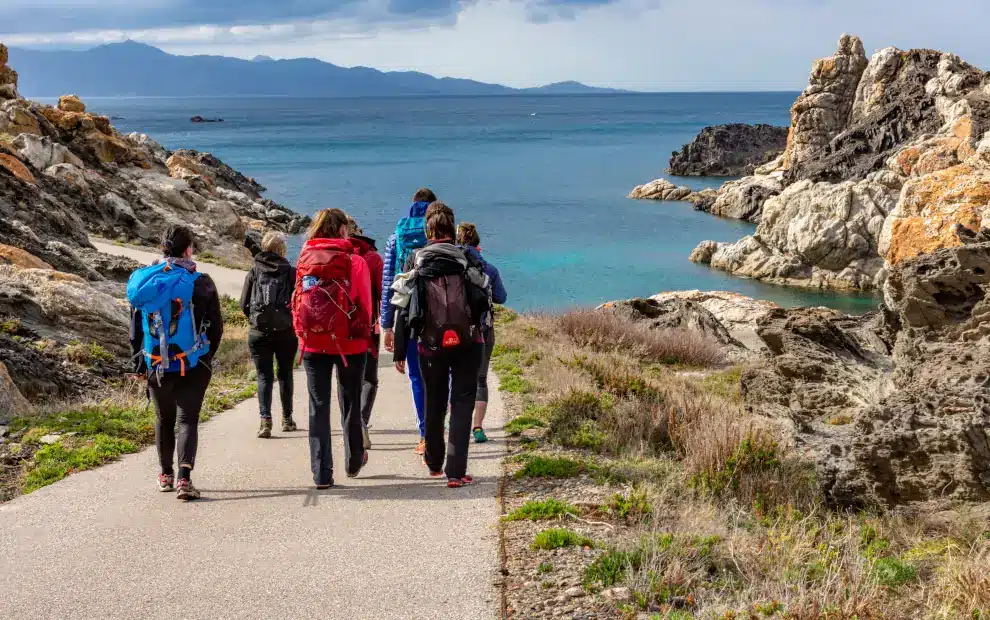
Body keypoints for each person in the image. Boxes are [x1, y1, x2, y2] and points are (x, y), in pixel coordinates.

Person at [392, 202, 490, 488]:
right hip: (468, 340)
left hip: (430, 343)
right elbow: (484, 296)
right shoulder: (466, 257)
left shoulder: (415, 259)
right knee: (462, 402)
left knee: (434, 400)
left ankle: (434, 463)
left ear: (428, 230)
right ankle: (456, 472)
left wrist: (399, 348)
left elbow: (403, 303)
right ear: (452, 228)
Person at [128, 225, 223, 501]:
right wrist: (206, 358)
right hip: (192, 361)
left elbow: (135, 328)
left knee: (163, 418)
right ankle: (184, 480)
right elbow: (215, 326)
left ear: (163, 248)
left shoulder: (145, 283)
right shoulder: (201, 281)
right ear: (188, 249)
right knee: (188, 420)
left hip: (156, 361)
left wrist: (140, 365)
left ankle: (165, 475)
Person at [293, 208, 372, 489]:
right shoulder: (355, 261)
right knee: (350, 402)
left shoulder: (304, 257)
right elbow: (364, 303)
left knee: (318, 406)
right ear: (342, 230)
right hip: (349, 342)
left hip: (313, 341)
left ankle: (321, 473)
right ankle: (353, 460)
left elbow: (298, 299)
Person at [381, 188, 436, 455]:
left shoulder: (396, 237)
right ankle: (440, 425)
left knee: (416, 377)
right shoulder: (440, 236)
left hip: (408, 315)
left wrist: (387, 325)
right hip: (440, 315)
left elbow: (389, 283)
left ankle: (425, 434)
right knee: (443, 374)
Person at [240, 231, 298, 438]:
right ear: (282, 249)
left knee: (264, 376)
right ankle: (287, 418)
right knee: (285, 374)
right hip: (286, 331)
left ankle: (265, 420)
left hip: (259, 332)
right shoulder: (291, 272)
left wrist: (254, 320)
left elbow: (243, 303)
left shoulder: (254, 271)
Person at [456, 222, 507, 444]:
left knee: (456, 378)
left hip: (457, 330)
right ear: (478, 243)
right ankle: (477, 427)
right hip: (484, 330)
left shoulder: (453, 268)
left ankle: (456, 421)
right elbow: (501, 297)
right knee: (481, 379)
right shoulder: (489, 269)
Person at [341, 216, 383, 450]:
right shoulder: (373, 258)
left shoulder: (332, 256)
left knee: (344, 382)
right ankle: (362, 421)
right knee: (369, 378)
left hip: (335, 329)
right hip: (366, 326)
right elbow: (381, 292)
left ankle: (350, 424)